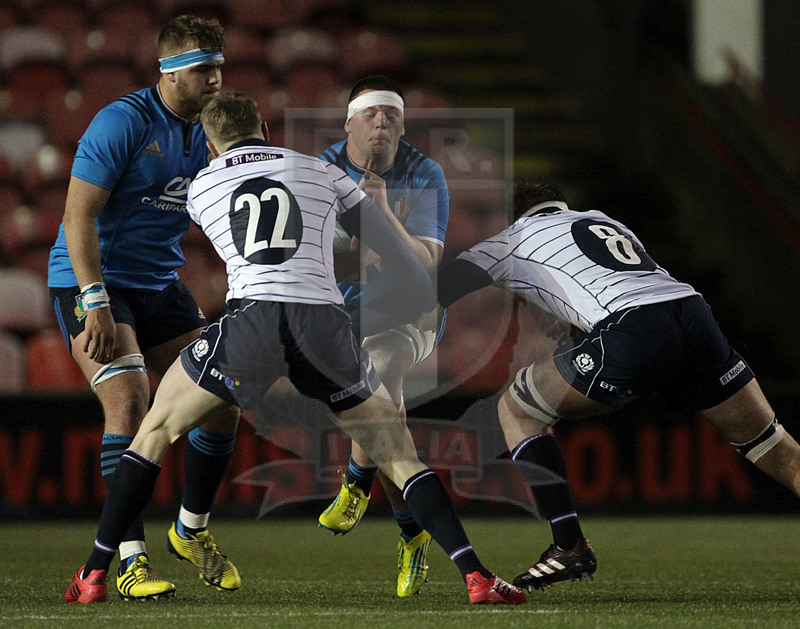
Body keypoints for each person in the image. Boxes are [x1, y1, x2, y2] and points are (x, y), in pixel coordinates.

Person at [63, 91, 526, 606]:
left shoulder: (202, 185)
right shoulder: (323, 172)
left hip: (254, 321)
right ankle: (477, 576)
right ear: (264, 125)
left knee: (152, 433)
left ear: (211, 145)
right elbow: (395, 259)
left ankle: (95, 573)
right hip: (323, 325)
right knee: (399, 457)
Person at [435, 181, 800, 591]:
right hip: (692, 314)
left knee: (517, 408)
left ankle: (567, 545)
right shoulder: (603, 221)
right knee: (775, 447)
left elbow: (439, 289)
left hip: (633, 328)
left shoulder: (510, 239)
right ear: (560, 206)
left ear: (512, 218)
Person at [50, 15, 241, 601]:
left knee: (223, 396)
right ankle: (130, 558)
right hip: (95, 283)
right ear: (170, 72)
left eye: (219, 68)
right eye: (202, 70)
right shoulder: (122, 122)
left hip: (160, 285)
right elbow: (77, 215)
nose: (215, 79)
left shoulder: (210, 129)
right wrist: (95, 299)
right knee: (129, 399)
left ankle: (191, 530)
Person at [316, 75, 449, 598]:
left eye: (391, 115)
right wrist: (369, 247)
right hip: (342, 311)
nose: (381, 122)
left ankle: (355, 482)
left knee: (384, 368)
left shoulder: (425, 173)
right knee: (386, 409)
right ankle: (411, 533)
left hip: (411, 308)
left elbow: (429, 264)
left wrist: (384, 216)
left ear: (402, 126)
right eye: (370, 114)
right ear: (349, 122)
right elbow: (319, 255)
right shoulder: (322, 170)